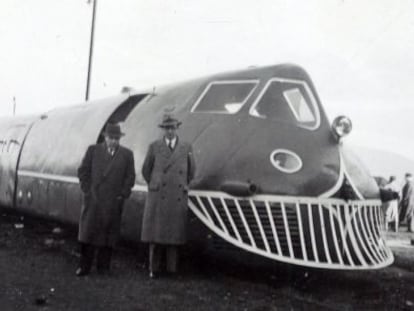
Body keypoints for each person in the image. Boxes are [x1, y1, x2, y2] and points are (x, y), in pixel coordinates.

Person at [76, 123, 135, 276]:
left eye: (117, 138)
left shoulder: (127, 155)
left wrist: (122, 194)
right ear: (105, 137)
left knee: (108, 237)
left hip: (113, 201)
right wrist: (88, 191)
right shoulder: (93, 150)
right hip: (94, 200)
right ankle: (84, 267)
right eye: (111, 138)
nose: (114, 141)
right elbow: (83, 171)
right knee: (88, 235)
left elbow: (130, 177)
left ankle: (103, 268)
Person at [141, 113, 196, 278]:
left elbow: (192, 171)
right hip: (158, 196)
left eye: (172, 128)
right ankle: (154, 269)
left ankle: (172, 270)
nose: (170, 131)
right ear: (163, 130)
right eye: (167, 128)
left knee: (174, 238)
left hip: (176, 195)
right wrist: (155, 184)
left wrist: (184, 185)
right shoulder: (154, 147)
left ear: (177, 128)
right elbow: (146, 170)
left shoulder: (186, 147)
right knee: (156, 237)